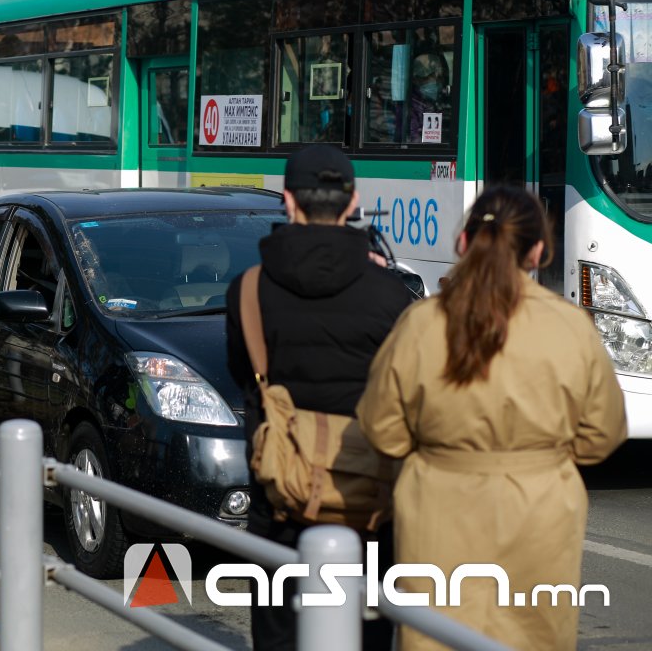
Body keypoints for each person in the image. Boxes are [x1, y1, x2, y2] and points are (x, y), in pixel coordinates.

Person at [357, 186, 627, 651]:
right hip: (541, 511)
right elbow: (604, 433)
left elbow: (380, 427)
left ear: (463, 243)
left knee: (435, 636)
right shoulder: (569, 326)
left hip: (438, 506)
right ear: (539, 251)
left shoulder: (421, 323)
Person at [226, 144, 413, 651]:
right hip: (367, 498)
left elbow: (243, 373)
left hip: (281, 496)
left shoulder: (247, 290)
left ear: (288, 201)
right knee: (367, 630)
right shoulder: (391, 294)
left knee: (280, 631)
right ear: (352, 204)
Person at [399, 52, 448, 143]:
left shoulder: (437, 101)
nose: (436, 82)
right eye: (430, 77)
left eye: (439, 77)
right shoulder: (411, 105)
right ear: (416, 80)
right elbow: (413, 138)